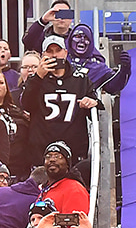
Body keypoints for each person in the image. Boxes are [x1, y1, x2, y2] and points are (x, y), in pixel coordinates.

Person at [19, 38, 99, 172]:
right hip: (42, 154)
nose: (54, 55)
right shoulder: (36, 79)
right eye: (50, 51)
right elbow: (26, 104)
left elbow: (96, 103)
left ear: (66, 53)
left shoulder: (80, 79)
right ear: (43, 55)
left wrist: (92, 102)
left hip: (74, 153)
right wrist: (38, 77)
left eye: (58, 50)